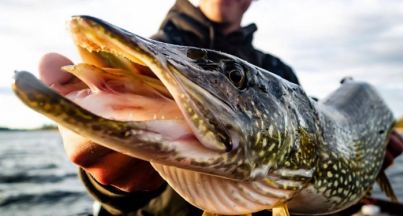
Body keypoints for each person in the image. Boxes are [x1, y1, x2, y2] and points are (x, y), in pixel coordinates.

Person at [38, 0, 403, 215]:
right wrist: (111, 180)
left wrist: (365, 171)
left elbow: (301, 175)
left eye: (235, 77)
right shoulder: (142, 57)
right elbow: (117, 197)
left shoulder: (279, 74)